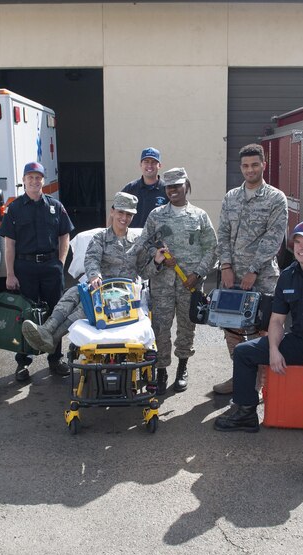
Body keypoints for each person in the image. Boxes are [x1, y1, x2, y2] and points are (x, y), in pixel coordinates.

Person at [214, 221, 303, 490]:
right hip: (300, 341)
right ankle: (245, 412)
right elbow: (277, 320)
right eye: (297, 242)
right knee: (244, 352)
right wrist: (275, 350)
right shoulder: (288, 275)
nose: (301, 247)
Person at [21, 192, 150, 352]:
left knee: (86, 305)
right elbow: (92, 259)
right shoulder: (100, 238)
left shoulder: (137, 242)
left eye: (129, 214)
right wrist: (95, 275)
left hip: (123, 293)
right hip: (100, 285)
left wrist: (157, 261)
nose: (124, 217)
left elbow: (145, 269)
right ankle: (47, 329)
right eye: (121, 212)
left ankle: (53, 339)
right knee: (72, 293)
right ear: (112, 211)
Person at [213, 143, 288, 395]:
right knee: (232, 329)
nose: (250, 170)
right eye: (245, 166)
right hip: (231, 276)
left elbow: (274, 238)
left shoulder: (276, 198)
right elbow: (222, 233)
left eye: (255, 164)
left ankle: (265, 384)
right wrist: (225, 265)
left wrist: (253, 270)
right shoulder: (231, 197)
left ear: (263, 165)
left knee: (264, 329)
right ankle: (241, 377)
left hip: (263, 277)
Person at [142, 167, 217, 396]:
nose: (173, 190)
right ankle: (162, 371)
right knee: (161, 329)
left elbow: (212, 248)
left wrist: (199, 273)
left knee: (187, 327)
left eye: (178, 185)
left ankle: (182, 368)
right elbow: (145, 244)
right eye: (169, 186)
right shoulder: (156, 215)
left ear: (187, 186)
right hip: (162, 284)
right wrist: (158, 258)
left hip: (190, 284)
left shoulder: (200, 216)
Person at [0, 161, 75, 382]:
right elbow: (9, 244)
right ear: (23, 180)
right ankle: (23, 363)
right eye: (30, 177)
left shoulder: (54, 206)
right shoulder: (14, 208)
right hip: (25, 268)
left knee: (56, 313)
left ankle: (55, 359)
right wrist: (10, 273)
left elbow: (65, 236)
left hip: (51, 267)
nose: (34, 181)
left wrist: (60, 263)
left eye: (38, 177)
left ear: (43, 180)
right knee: (25, 316)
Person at [122, 147, 168, 228]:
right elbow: (114, 212)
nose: (149, 165)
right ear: (141, 164)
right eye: (146, 162)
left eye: (153, 162)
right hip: (134, 239)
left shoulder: (167, 189)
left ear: (159, 165)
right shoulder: (130, 188)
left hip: (158, 239)